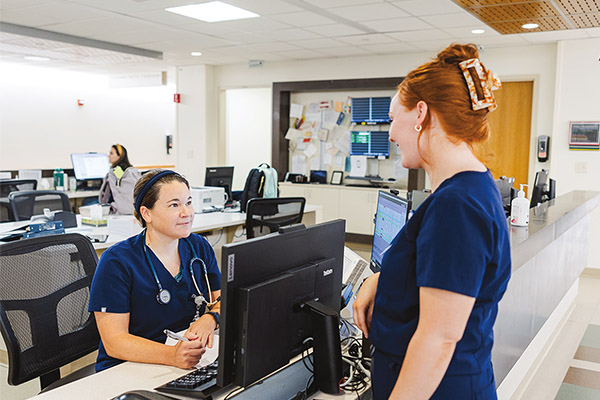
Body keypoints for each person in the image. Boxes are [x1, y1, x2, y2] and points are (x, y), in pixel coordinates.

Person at [353, 43, 511, 399]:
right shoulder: (467, 189)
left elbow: (438, 338)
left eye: (394, 118)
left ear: (421, 113)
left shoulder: (457, 206)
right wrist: (383, 278)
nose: (391, 134)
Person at [89, 169, 221, 372]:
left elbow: (222, 301)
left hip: (185, 361)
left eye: (188, 202)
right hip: (128, 367)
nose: (187, 213)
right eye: (174, 205)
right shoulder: (117, 261)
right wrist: (172, 356)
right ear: (146, 213)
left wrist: (211, 318)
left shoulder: (198, 247)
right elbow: (114, 342)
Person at [98, 144, 141, 215]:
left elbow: (103, 199)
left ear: (119, 156)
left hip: (120, 211)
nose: (109, 156)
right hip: (134, 210)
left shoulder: (115, 172)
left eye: (111, 153)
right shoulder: (132, 170)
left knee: (88, 201)